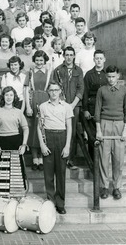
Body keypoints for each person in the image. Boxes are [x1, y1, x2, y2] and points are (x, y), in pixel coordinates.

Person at [95, 65, 126, 200]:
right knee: (104, 158)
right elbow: (97, 111)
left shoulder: (124, 91)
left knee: (118, 159)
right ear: (106, 77)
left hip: (119, 125)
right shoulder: (101, 90)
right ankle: (104, 187)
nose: (111, 79)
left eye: (113, 76)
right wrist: (98, 129)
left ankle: (116, 187)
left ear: (118, 76)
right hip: (104, 124)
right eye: (109, 76)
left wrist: (125, 129)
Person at [37, 81, 73, 214]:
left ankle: (60, 203)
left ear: (60, 91)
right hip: (48, 137)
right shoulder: (43, 107)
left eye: (56, 90)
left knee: (61, 172)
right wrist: (42, 144)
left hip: (61, 137)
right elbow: (39, 127)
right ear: (48, 92)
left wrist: (67, 145)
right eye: (51, 90)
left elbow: (69, 127)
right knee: (48, 174)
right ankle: (51, 201)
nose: (53, 93)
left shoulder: (66, 107)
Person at [52, 46, 84, 169]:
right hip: (60, 104)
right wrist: (62, 102)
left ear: (74, 56)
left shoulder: (79, 71)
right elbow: (54, 87)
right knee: (60, 130)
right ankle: (60, 159)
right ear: (64, 56)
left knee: (73, 132)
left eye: (71, 55)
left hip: (74, 105)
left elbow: (81, 88)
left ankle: (70, 159)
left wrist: (72, 104)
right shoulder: (58, 70)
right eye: (67, 55)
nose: (69, 57)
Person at [24, 50, 51, 171]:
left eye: (41, 60)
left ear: (45, 61)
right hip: (33, 101)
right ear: (34, 60)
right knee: (34, 129)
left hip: (45, 100)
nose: (39, 62)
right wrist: (28, 106)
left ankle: (42, 158)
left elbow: (53, 89)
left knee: (43, 128)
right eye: (37, 60)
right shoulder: (30, 72)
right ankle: (35, 159)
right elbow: (26, 90)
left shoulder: (49, 72)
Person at [82, 50, 108, 160]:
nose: (99, 60)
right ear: (93, 60)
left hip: (104, 107)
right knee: (93, 135)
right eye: (96, 58)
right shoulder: (88, 74)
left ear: (104, 60)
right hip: (92, 107)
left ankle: (102, 161)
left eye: (101, 58)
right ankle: (93, 162)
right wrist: (85, 109)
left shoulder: (107, 75)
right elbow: (85, 92)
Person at [0, 86, 29, 155]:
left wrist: (24, 145)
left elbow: (26, 128)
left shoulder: (19, 112)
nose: (9, 97)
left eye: (11, 95)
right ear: (3, 97)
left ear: (14, 97)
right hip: (2, 142)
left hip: (16, 142)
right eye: (6, 95)